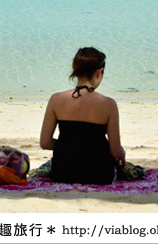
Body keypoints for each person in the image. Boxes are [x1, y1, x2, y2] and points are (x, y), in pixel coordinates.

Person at [39, 47, 126, 184]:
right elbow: (115, 151)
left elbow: (45, 143)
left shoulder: (56, 100)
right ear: (100, 72)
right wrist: (122, 154)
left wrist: (69, 145)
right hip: (99, 174)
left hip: (62, 173)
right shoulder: (109, 104)